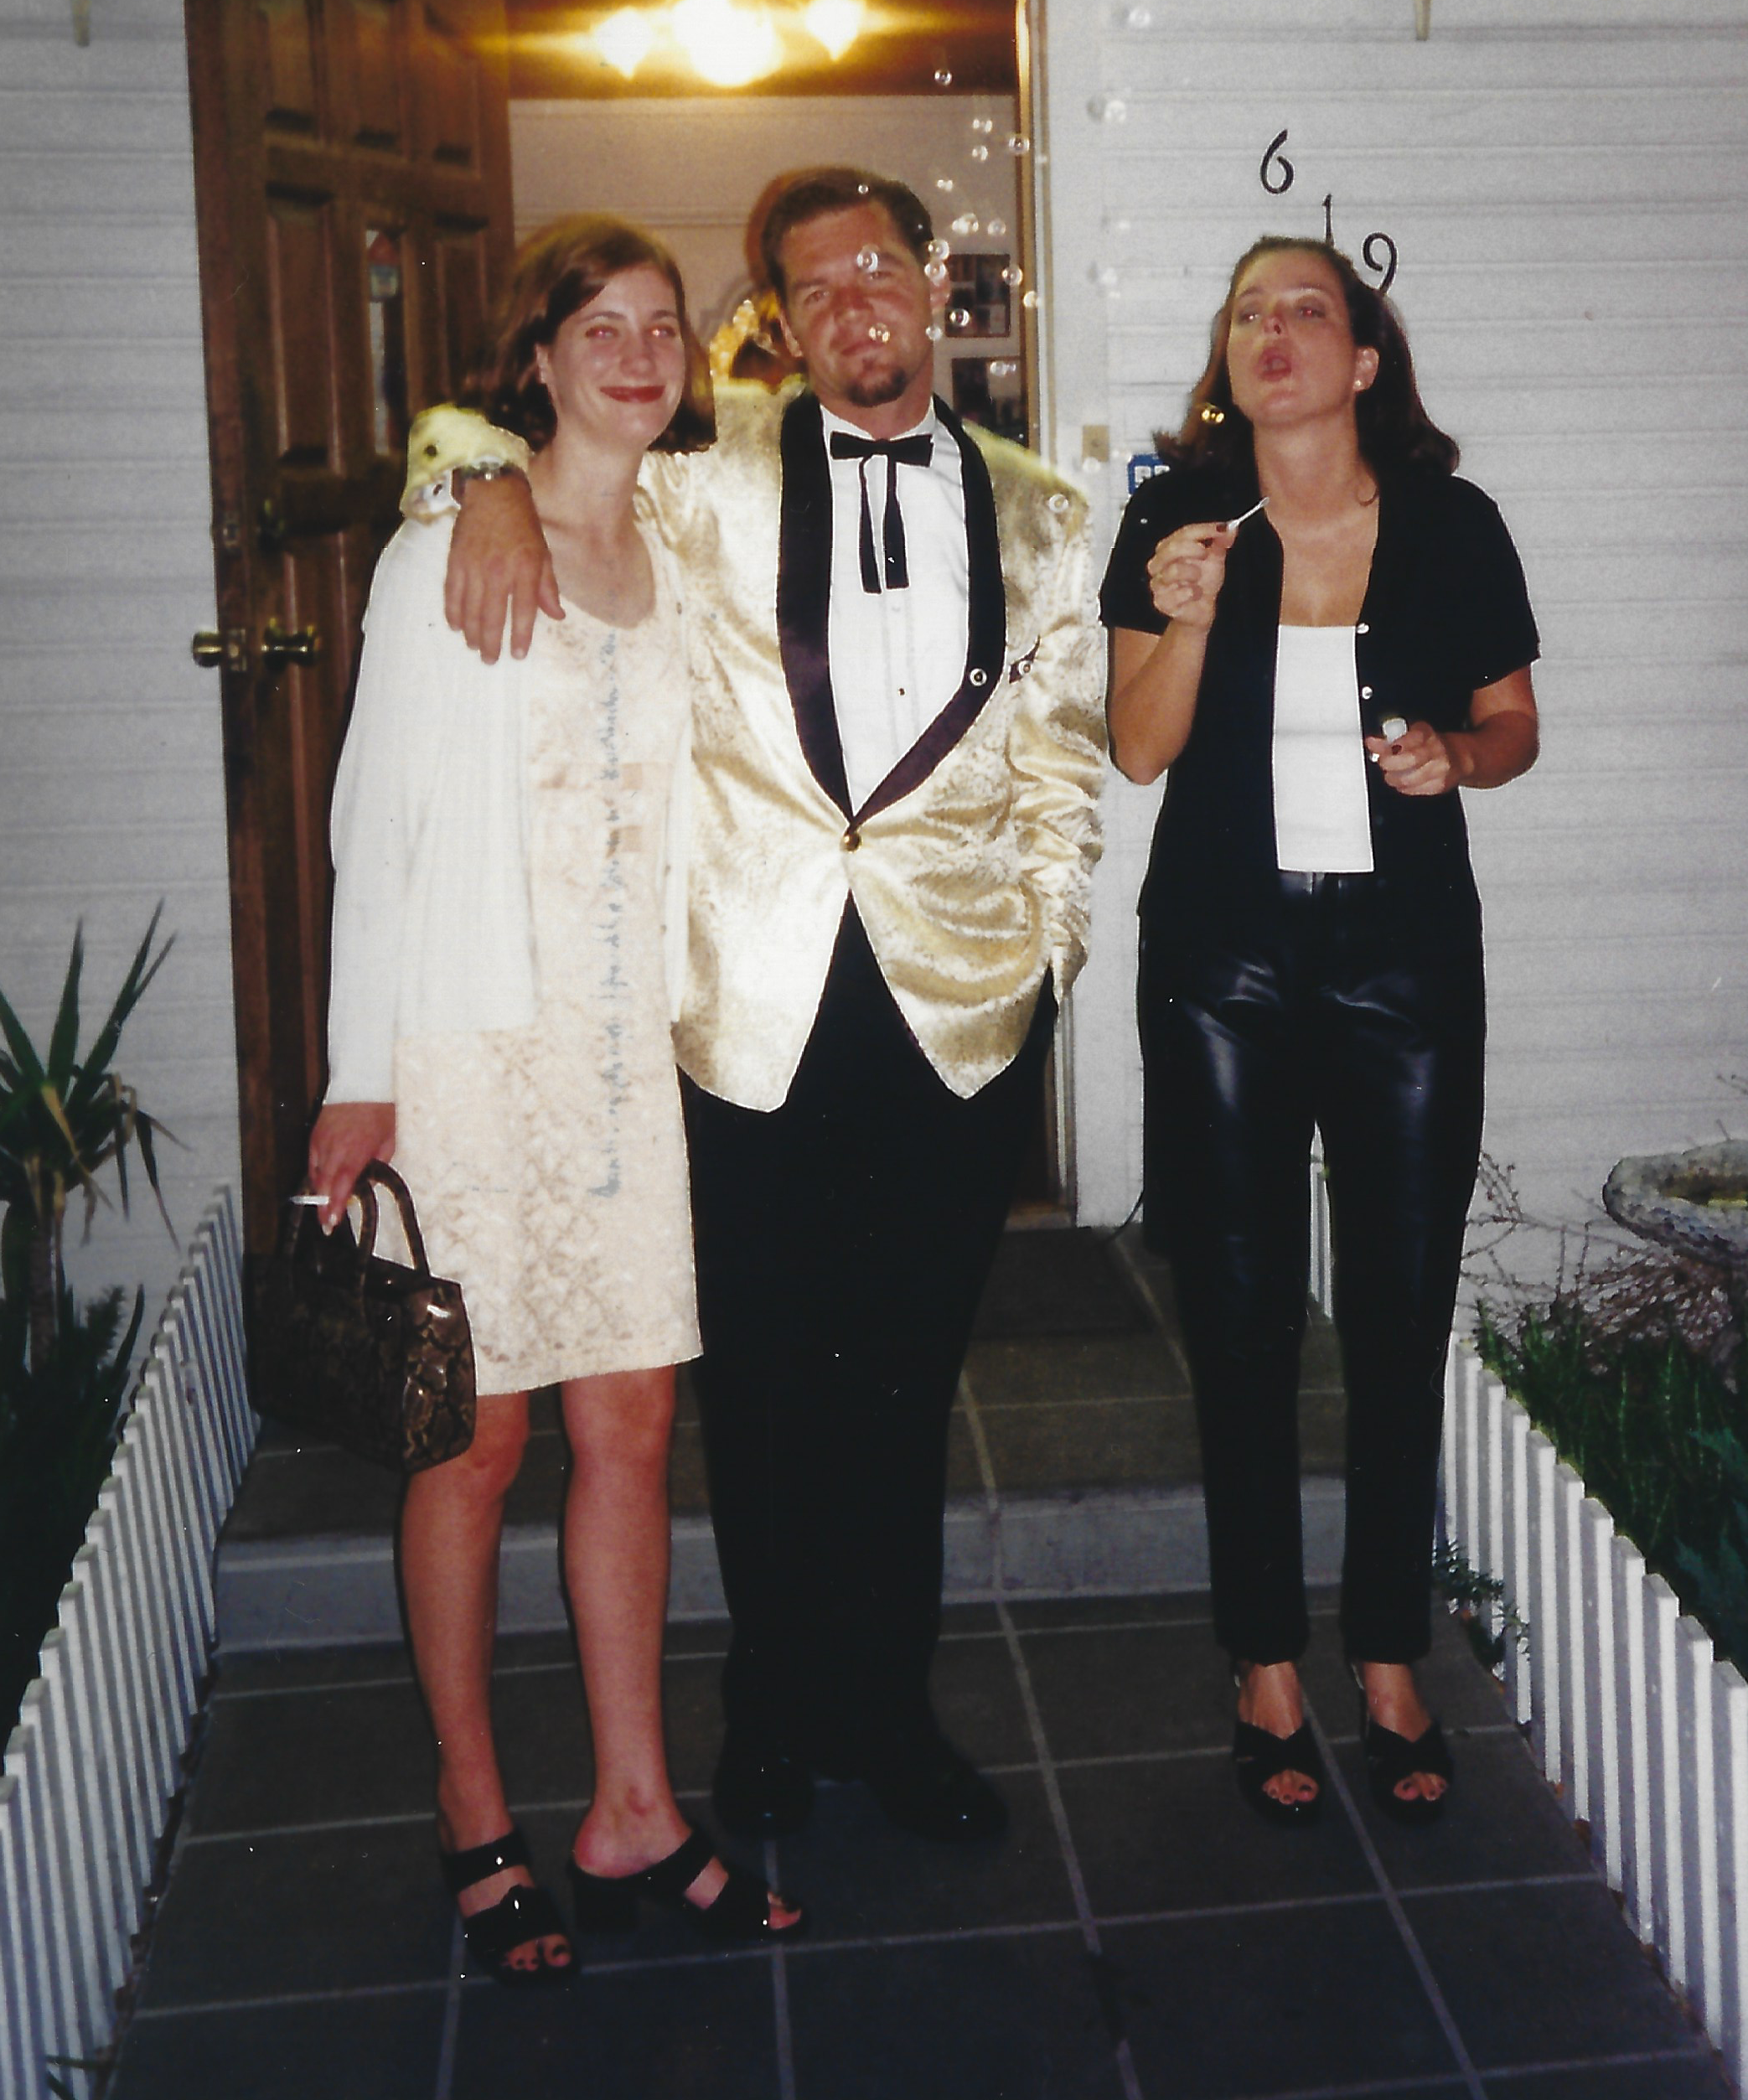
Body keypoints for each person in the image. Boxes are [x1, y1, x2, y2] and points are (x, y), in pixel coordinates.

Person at [407, 168, 1106, 1845]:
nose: (853, 297)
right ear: (779, 322)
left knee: (902, 1389)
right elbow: (475, 425)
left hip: (954, 1014)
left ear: (932, 284)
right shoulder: (701, 483)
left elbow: (1063, 773)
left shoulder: (1043, 513)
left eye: (879, 263)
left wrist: (1040, 963)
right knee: (771, 1393)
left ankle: (892, 1712)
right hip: (745, 1010)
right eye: (815, 281)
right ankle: (773, 1718)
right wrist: (483, 480)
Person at [305, 215, 803, 1986]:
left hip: (617, 1058)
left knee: (631, 1431)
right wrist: (358, 1076)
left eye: (661, 324)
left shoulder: (684, 535)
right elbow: (376, 827)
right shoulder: (446, 542)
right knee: (476, 1436)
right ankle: (468, 1803)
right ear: (535, 354)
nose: (636, 347)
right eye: (598, 322)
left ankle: (631, 1807)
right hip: (462, 1045)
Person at [1100, 236, 1539, 1827]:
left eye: (1309, 311)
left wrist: (1457, 763)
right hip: (1223, 957)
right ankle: (1263, 1661)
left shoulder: (1450, 524)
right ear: (1225, 363)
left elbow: (1514, 723)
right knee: (1238, 1315)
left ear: (1363, 361)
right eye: (1246, 313)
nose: (1274, 330)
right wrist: (1196, 616)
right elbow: (1138, 752)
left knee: (1400, 1309)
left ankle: (1386, 1655)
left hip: (1404, 964)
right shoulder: (1173, 518)